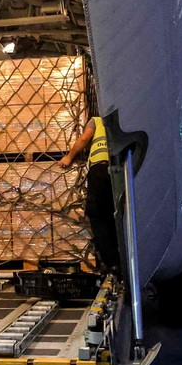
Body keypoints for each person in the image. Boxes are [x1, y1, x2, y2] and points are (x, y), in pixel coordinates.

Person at [59, 114, 121, 274]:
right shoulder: (119, 120)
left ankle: (111, 263)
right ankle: (120, 260)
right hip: (118, 173)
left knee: (95, 214)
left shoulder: (96, 121)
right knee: (112, 215)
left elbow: (83, 139)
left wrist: (69, 157)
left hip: (100, 170)